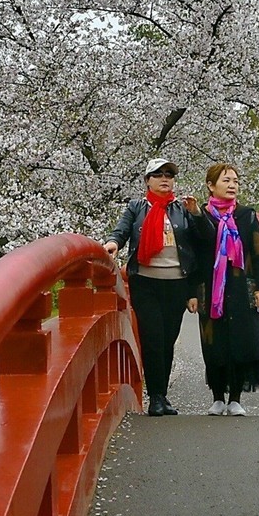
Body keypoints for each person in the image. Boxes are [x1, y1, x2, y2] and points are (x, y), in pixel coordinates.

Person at [105, 157, 211, 417]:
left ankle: (161, 394)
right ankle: (156, 397)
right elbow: (122, 231)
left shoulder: (183, 208)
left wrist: (197, 213)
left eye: (169, 174)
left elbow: (206, 239)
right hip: (146, 282)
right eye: (159, 174)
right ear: (147, 180)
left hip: (176, 283)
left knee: (168, 340)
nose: (165, 179)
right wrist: (113, 243)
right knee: (153, 338)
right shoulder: (136, 207)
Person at [196, 163, 259, 416]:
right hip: (211, 288)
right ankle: (217, 396)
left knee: (241, 339)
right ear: (211, 185)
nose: (232, 185)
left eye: (236, 181)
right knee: (213, 341)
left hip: (241, 286)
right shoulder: (200, 216)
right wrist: (191, 293)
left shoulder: (246, 215)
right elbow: (194, 255)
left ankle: (236, 397)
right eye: (226, 180)